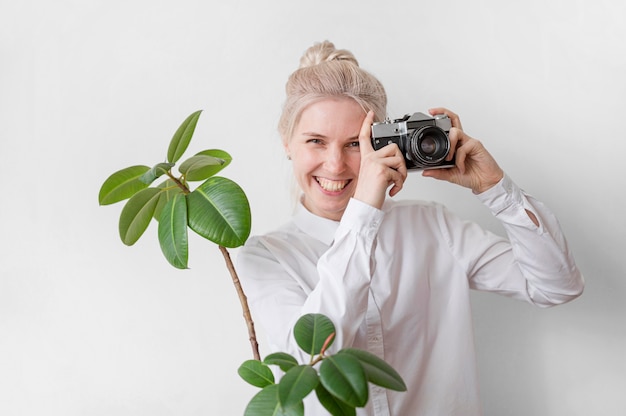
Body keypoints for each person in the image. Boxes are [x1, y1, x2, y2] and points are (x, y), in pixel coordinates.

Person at [236, 40, 584, 416]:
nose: (335, 165)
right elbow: (312, 357)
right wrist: (364, 213)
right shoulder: (265, 258)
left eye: (356, 144)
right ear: (287, 142)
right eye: (316, 141)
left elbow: (557, 286)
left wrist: (496, 189)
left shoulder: (434, 226)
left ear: (385, 144)